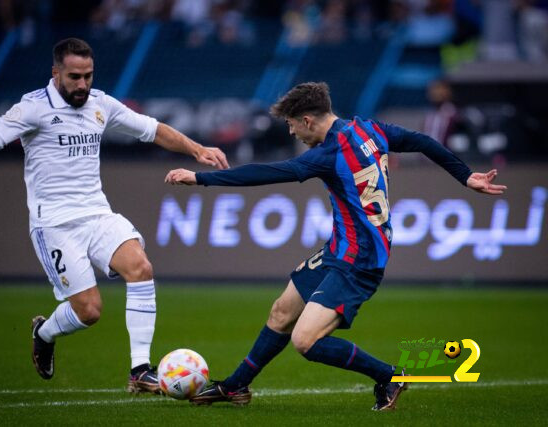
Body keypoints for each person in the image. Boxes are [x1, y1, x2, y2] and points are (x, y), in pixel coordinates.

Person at [165, 82, 506, 410]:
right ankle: (235, 386)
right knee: (282, 312)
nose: (291, 133)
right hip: (340, 250)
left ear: (308, 120)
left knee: (305, 341)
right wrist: (465, 175)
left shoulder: (327, 154)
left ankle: (389, 376)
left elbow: (267, 173)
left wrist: (201, 178)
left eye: (291, 125)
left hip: (360, 260)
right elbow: (422, 140)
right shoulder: (370, 129)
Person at [0, 38, 229, 393]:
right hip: (55, 225)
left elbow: (151, 129)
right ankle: (44, 333)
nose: (82, 84)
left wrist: (198, 149)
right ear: (56, 72)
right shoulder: (33, 108)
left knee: (141, 268)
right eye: (74, 77)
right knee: (89, 311)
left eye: (88, 76)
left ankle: (139, 371)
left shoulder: (100, 103)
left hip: (96, 213)